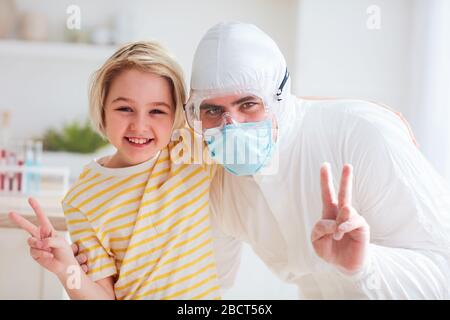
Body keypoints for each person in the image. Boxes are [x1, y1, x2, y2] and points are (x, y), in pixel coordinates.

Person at [183, 22, 450, 299]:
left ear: (279, 98)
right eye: (213, 110)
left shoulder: (362, 135)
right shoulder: (224, 189)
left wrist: (365, 265)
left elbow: (444, 273)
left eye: (248, 104)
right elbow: (211, 287)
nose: (231, 128)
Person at [9, 41, 221, 300]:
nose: (140, 125)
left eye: (157, 111)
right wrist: (66, 269)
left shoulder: (188, 150)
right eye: (124, 109)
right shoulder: (82, 200)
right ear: (103, 110)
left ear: (176, 114)